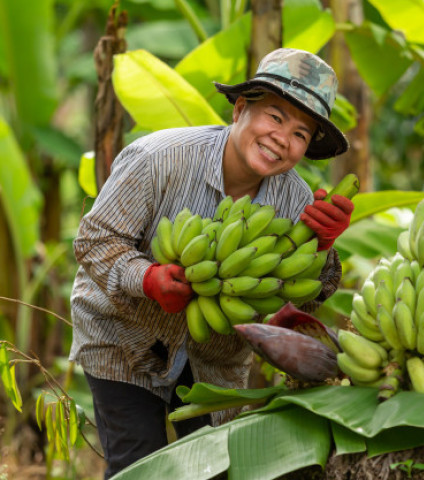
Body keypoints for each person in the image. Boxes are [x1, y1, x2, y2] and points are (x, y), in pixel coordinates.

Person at [69, 47, 354, 478]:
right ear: (241, 109)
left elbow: (294, 304)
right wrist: (147, 279)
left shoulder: (297, 203)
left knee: (214, 469)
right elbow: (94, 239)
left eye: (300, 134)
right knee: (137, 466)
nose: (283, 138)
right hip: (123, 337)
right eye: (275, 118)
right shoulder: (159, 159)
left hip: (215, 358)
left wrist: (321, 252)